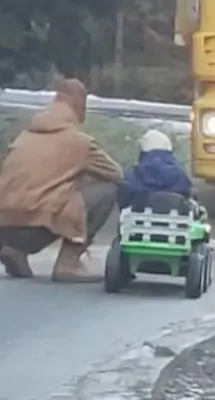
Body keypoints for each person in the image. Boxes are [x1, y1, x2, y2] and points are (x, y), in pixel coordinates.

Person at [0, 79, 125, 281]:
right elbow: (117, 174)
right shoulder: (78, 142)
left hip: (4, 224)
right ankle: (70, 261)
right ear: (79, 107)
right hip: (37, 225)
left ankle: (15, 251)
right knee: (107, 189)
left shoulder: (24, 136)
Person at [118, 129, 193, 209]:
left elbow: (123, 201)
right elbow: (187, 196)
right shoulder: (181, 175)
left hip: (138, 219)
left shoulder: (132, 175)